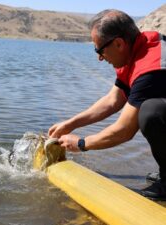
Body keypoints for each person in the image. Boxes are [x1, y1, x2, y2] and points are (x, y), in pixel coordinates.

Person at [48, 9, 166, 201]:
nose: (99, 58)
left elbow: (124, 131)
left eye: (99, 50)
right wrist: (70, 124)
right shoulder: (140, 47)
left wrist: (80, 143)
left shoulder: (151, 69)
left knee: (151, 112)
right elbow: (113, 100)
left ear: (119, 43)